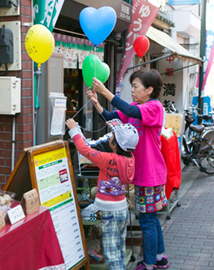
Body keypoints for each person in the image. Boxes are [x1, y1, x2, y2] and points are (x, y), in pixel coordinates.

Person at [87, 69, 169, 270]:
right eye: (131, 86)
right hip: (143, 173)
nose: (132, 91)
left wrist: (106, 92)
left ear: (149, 90)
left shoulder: (154, 107)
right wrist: (97, 102)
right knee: (151, 217)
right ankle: (160, 257)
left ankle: (149, 264)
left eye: (135, 86)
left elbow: (132, 113)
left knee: (148, 219)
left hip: (150, 173)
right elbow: (112, 117)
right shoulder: (136, 106)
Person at [65, 118, 139, 270]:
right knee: (118, 248)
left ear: (113, 145)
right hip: (122, 209)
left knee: (111, 255)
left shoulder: (108, 159)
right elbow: (122, 138)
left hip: (109, 212)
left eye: (111, 136)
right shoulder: (130, 159)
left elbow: (85, 150)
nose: (109, 137)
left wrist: (73, 130)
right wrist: (114, 126)